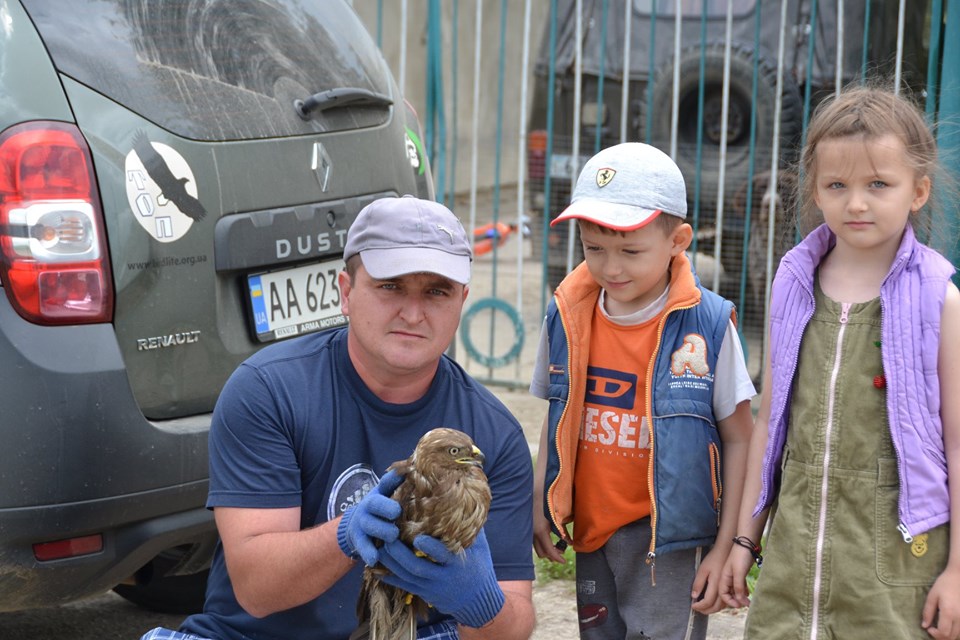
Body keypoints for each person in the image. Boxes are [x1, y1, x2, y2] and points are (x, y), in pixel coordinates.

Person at [140, 195, 536, 640]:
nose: (412, 312)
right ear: (346, 292)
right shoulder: (269, 390)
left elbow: (512, 625)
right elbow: (256, 588)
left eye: (436, 291)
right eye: (391, 286)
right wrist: (346, 536)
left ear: (462, 300)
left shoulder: (492, 435)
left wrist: (479, 605)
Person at [719, 85, 960, 639]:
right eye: (838, 185)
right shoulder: (793, 281)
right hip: (792, 550)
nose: (857, 202)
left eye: (879, 184)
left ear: (918, 190)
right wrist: (743, 539)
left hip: (895, 565)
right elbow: (771, 419)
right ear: (816, 191)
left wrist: (955, 572)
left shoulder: (936, 297)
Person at [530, 142, 756, 639]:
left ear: (678, 240)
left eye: (631, 250)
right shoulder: (566, 314)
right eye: (594, 249)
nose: (611, 268)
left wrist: (726, 547)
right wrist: (540, 500)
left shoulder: (711, 326)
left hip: (670, 541)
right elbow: (557, 411)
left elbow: (741, 438)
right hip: (594, 531)